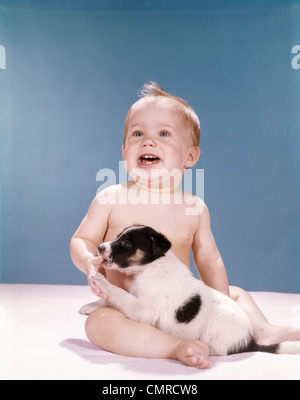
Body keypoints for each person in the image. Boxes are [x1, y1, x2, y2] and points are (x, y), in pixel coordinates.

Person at [70, 82, 300, 369]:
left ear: (190, 156)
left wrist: (222, 306)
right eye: (138, 133)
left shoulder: (195, 207)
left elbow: (208, 258)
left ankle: (261, 331)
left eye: (163, 133)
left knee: (235, 293)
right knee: (99, 324)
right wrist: (88, 262)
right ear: (125, 149)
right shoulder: (110, 197)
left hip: (179, 312)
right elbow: (82, 240)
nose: (148, 141)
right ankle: (174, 347)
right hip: (130, 308)